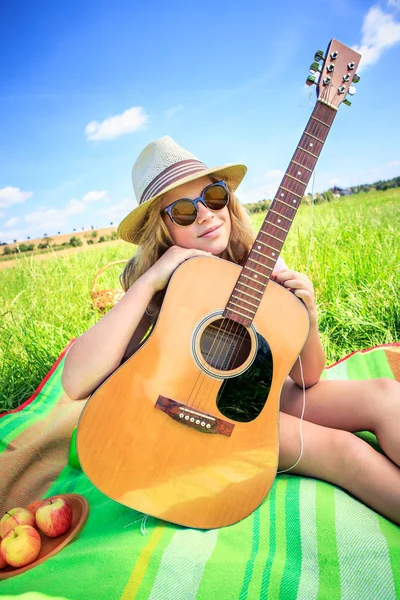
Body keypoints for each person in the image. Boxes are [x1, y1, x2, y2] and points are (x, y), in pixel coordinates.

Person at [62, 136, 400, 525]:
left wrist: (307, 317)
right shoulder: (158, 282)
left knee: (387, 396)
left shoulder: (259, 261)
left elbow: (307, 379)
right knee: (345, 451)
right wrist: (151, 280)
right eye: (185, 211)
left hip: (258, 395)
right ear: (163, 228)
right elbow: (75, 381)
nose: (206, 214)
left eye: (214, 196)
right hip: (187, 408)